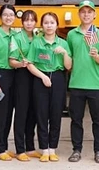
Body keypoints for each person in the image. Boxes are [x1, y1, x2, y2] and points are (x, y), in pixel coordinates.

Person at [27, 12, 72, 162]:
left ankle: (52, 148)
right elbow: (30, 64)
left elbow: (68, 66)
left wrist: (65, 53)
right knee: (41, 114)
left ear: (57, 25)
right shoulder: (36, 42)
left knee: (55, 114)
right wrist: (42, 76)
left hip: (58, 78)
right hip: (40, 78)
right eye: (46, 23)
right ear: (42, 25)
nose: (49, 26)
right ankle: (44, 149)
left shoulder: (63, 43)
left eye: (52, 23)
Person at [67, 0, 99, 164]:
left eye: (89, 12)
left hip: (95, 84)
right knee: (76, 120)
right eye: (83, 12)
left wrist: (96, 56)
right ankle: (76, 149)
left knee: (98, 121)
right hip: (76, 83)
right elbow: (69, 59)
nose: (86, 14)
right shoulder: (71, 35)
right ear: (79, 14)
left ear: (94, 14)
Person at [9, 9, 40, 161]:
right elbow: (11, 61)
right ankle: (20, 149)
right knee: (21, 112)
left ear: (35, 22)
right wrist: (21, 63)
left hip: (35, 77)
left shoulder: (38, 37)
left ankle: (30, 147)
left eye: (32, 20)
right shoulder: (16, 38)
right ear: (22, 22)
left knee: (33, 113)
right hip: (22, 76)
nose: (29, 23)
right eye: (26, 20)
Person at [0, 4, 17, 161]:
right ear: (0, 17)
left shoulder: (14, 34)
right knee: (1, 113)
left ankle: (5, 146)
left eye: (11, 15)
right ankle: (0, 149)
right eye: (5, 15)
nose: (9, 17)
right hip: (0, 76)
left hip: (14, 75)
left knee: (9, 113)